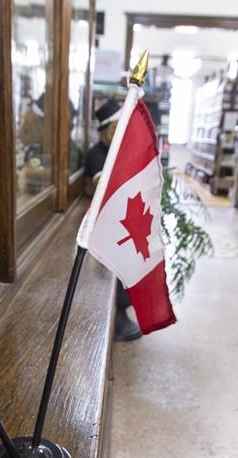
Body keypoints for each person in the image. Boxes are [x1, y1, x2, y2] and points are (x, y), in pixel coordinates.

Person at [84, 99, 142, 342]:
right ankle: (116, 312)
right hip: (106, 226)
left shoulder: (120, 152)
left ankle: (124, 308)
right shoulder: (97, 154)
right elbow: (101, 185)